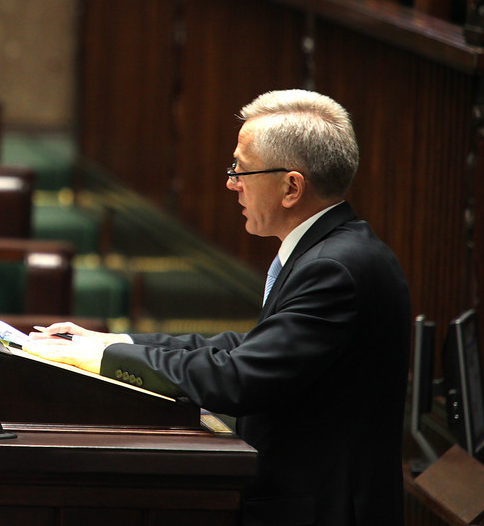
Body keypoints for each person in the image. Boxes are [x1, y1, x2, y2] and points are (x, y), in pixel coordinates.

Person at [27, 89, 411, 526]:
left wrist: (103, 360)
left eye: (241, 170)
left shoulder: (334, 267)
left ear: (291, 187)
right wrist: (117, 340)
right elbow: (246, 348)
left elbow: (239, 378)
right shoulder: (334, 251)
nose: (231, 182)